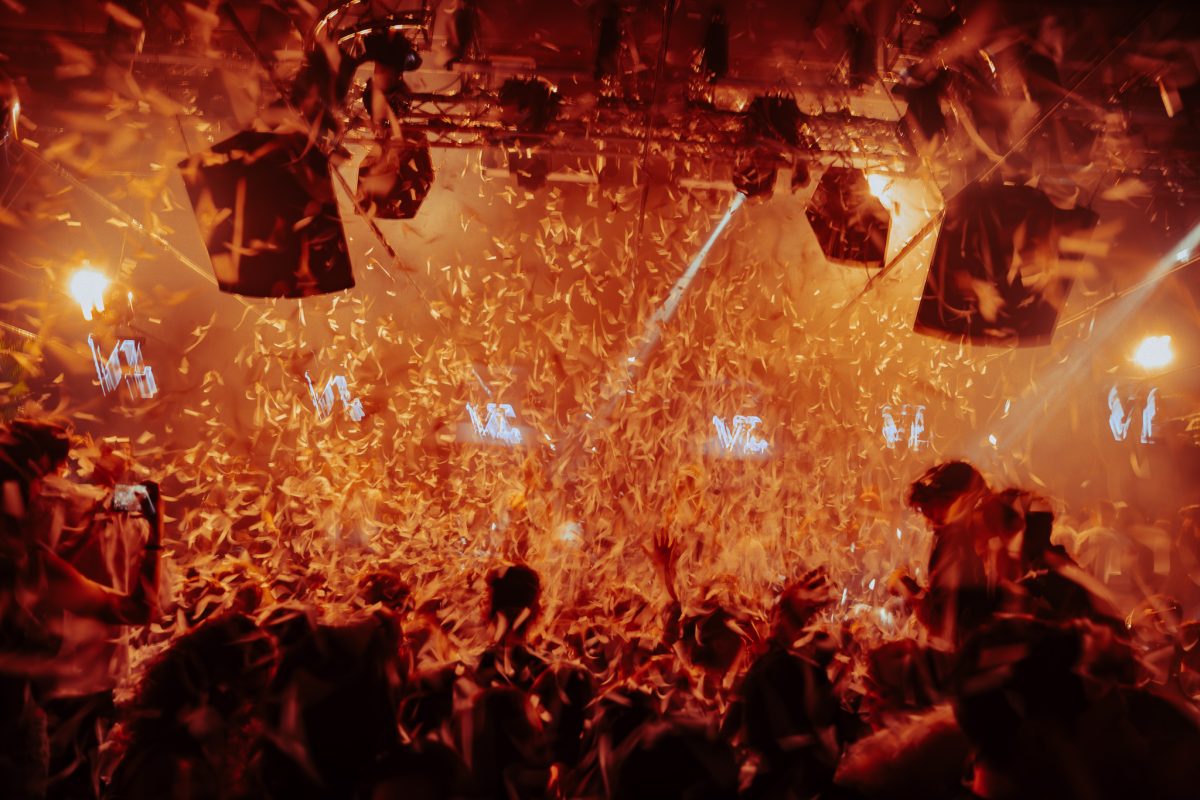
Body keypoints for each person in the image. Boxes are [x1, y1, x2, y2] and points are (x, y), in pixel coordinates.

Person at [0, 418, 162, 797]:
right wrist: (151, 524)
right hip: (75, 685)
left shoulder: (49, 508)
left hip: (46, 690)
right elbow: (149, 498)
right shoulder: (96, 504)